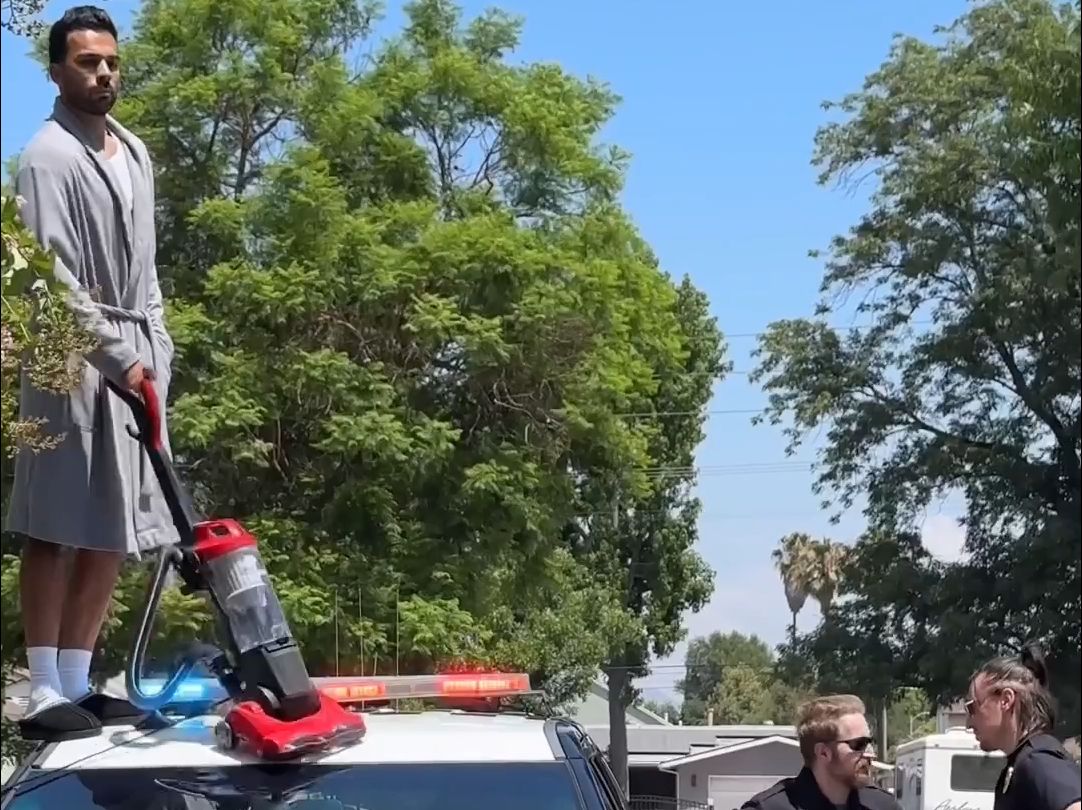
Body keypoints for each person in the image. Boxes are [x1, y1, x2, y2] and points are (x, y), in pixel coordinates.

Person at [6, 5, 177, 742]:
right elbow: (48, 278)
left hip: (138, 356)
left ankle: (80, 679)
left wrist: (156, 350)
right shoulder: (47, 155)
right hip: (68, 356)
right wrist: (117, 355)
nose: (103, 73)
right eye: (87, 62)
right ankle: (43, 686)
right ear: (56, 73)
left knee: (115, 523)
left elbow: (148, 272)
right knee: (56, 521)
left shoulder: (133, 152)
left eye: (110, 62)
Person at [966, 644, 1082, 810]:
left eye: (972, 708)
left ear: (1006, 700)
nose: (968, 724)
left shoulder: (1038, 761)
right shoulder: (1020, 763)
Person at [740, 694, 899, 809]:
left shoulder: (884, 805)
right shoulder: (768, 808)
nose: (870, 754)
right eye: (859, 744)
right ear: (823, 753)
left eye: (870, 743)